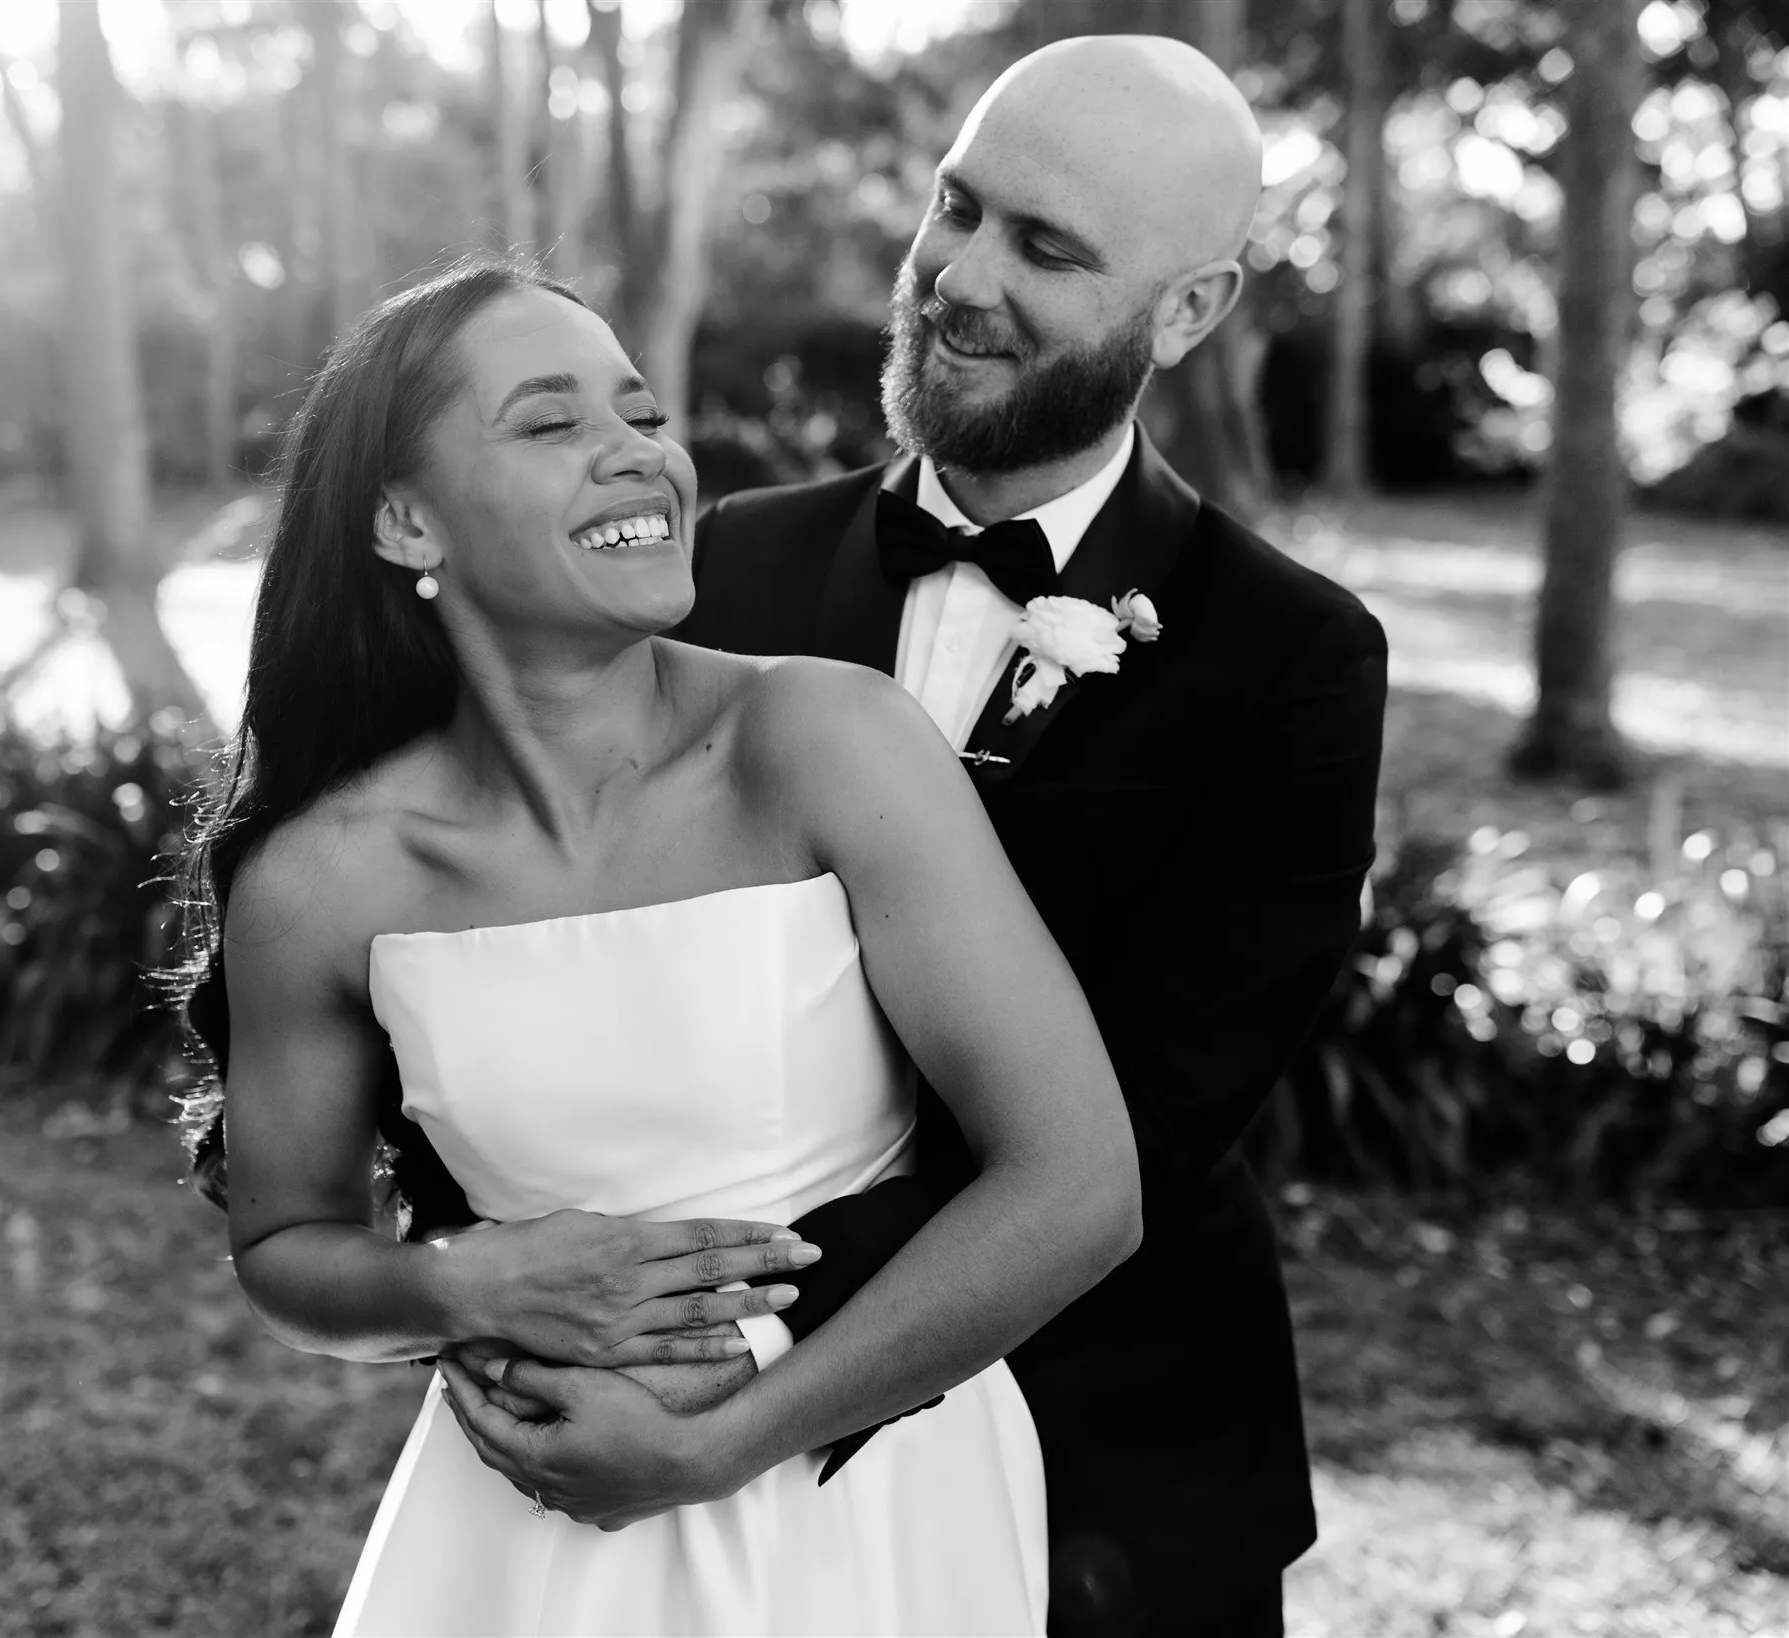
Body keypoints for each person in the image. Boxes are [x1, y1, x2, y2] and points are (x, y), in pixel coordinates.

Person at [452, 35, 1389, 1638]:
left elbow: (1150, 1116)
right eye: (958, 207)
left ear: (1191, 309)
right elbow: (534, 919)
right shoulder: (714, 576)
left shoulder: (1293, 658)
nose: (958, 274)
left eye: (1046, 248)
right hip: (689, 1483)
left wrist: (714, 1339)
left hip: (1108, 1458)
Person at [175, 254, 1146, 1636]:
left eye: (640, 415)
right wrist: (464, 1281)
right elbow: (286, 1245)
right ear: (405, 519)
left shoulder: (824, 741)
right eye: (551, 421)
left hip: (868, 1499)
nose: (639, 457)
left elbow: (1080, 1182)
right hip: (532, 1525)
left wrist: (726, 1442)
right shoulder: (323, 883)